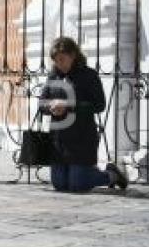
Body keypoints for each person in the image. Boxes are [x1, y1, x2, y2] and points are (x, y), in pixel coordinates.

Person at [40, 36, 128, 192]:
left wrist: (69, 106)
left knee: (77, 184)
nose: (59, 64)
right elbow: (42, 104)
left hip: (82, 138)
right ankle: (80, 173)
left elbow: (99, 105)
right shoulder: (53, 76)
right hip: (58, 141)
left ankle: (112, 175)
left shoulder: (88, 75)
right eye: (56, 60)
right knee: (60, 185)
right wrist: (51, 107)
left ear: (73, 55)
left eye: (62, 59)